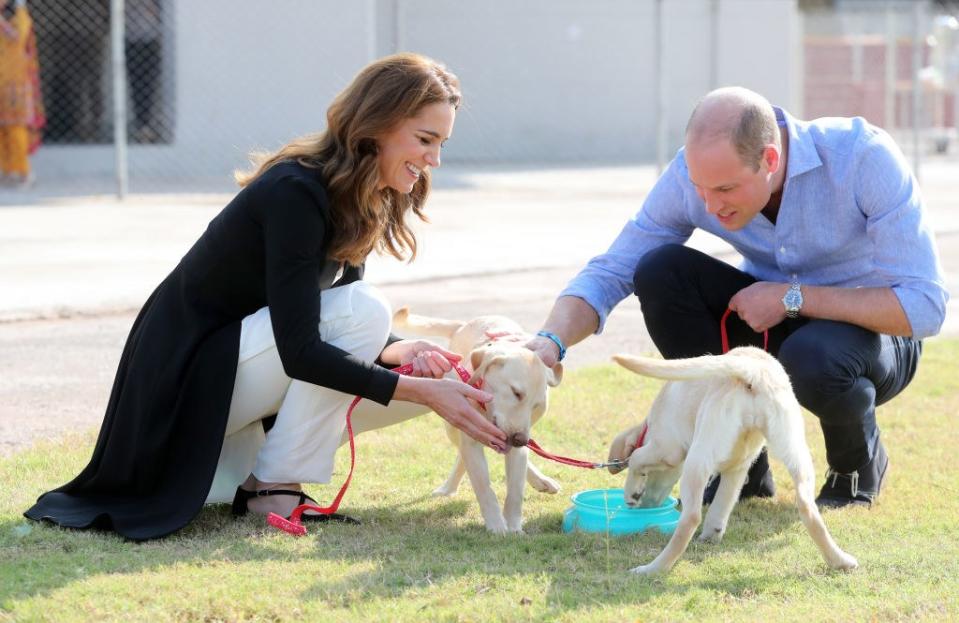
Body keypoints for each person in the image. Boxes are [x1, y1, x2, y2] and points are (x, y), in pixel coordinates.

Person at [24, 53, 507, 540]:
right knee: (375, 319)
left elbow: (324, 319)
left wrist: (400, 348)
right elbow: (303, 348)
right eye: (425, 140)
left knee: (401, 349)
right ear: (374, 126)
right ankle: (271, 486)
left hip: (230, 379)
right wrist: (416, 382)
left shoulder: (359, 196)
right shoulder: (295, 192)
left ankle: (270, 477)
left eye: (441, 144)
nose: (434, 160)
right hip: (178, 390)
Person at [528, 87, 947, 509]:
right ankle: (741, 466)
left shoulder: (863, 156)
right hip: (767, 317)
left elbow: (924, 306)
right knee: (660, 271)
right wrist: (550, 341)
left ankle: (855, 468)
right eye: (700, 189)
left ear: (769, 160)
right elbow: (614, 267)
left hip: (874, 338)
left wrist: (793, 298)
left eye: (725, 189)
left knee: (813, 354)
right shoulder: (697, 175)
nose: (709, 206)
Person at [0, 0, 44, 187]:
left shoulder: (21, 18)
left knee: (15, 129)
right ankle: (6, 169)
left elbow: (16, 36)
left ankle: (21, 170)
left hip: (14, 85)